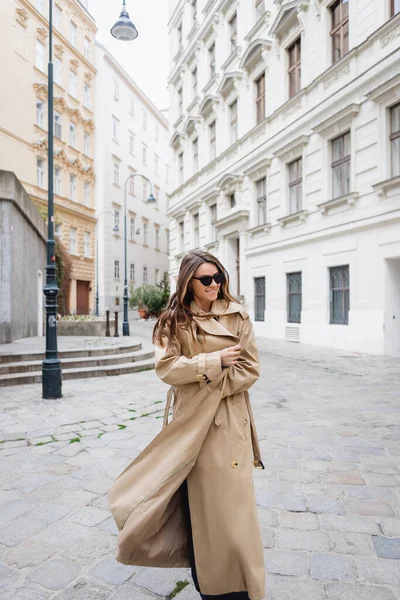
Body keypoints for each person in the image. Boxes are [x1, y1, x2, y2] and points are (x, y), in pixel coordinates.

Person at [152, 250, 265, 600]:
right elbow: (167, 369)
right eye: (206, 280)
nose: (215, 285)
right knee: (200, 506)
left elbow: (249, 369)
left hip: (229, 421)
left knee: (235, 508)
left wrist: (210, 386)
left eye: (219, 278)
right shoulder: (174, 321)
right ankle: (208, 581)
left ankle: (241, 585)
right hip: (191, 424)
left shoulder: (237, 316)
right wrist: (212, 362)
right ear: (189, 282)